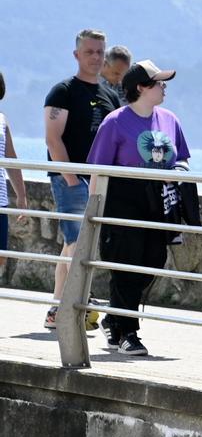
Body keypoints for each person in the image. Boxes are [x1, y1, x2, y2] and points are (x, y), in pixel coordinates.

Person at [85, 60, 192, 356]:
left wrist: (180, 178)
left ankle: (115, 317)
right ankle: (127, 332)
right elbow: (99, 170)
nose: (163, 87)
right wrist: (93, 213)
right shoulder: (116, 122)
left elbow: (182, 158)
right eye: (158, 83)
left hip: (158, 200)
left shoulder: (170, 119)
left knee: (152, 262)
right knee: (126, 263)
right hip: (123, 198)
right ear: (141, 88)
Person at [43, 28, 117, 328]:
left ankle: (58, 308)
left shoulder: (110, 94)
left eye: (100, 51)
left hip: (99, 180)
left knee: (73, 245)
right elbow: (52, 138)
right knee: (78, 244)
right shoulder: (63, 91)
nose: (96, 57)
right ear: (77, 55)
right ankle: (71, 308)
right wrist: (72, 179)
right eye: (89, 51)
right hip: (71, 180)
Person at [0, 71, 26, 256]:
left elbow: (11, 158)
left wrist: (22, 195)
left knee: (1, 256)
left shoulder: (1, 120)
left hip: (0, 200)